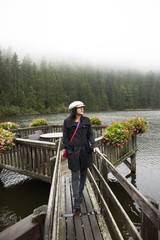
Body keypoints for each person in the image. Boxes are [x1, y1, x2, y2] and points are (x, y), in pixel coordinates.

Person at [63, 101, 100, 212]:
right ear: (75, 109)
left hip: (85, 151)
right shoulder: (67, 122)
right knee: (75, 175)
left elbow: (90, 136)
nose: (82, 109)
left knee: (83, 173)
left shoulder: (86, 121)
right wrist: (69, 151)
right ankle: (76, 200)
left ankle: (79, 194)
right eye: (80, 108)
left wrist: (94, 146)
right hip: (73, 152)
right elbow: (65, 138)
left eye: (83, 107)